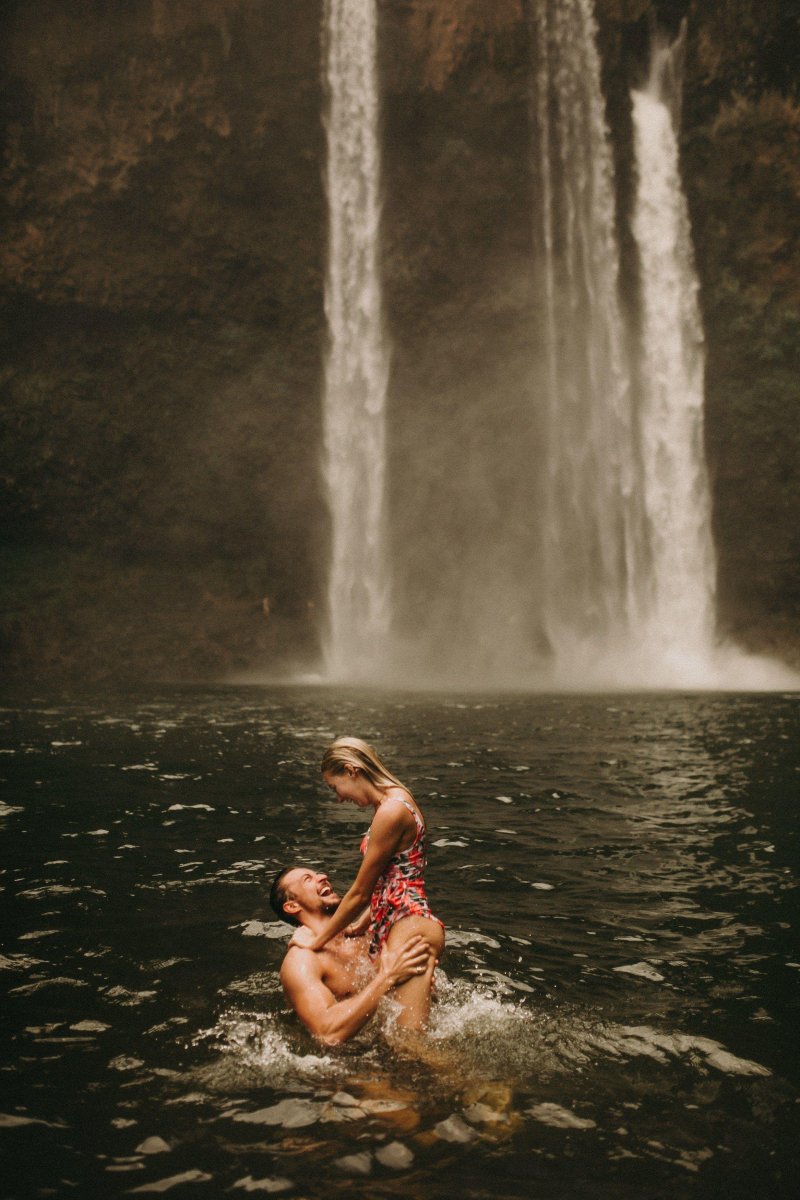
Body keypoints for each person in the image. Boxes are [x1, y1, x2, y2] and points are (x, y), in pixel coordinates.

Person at [288, 737, 445, 1031]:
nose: (339, 797)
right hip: (402, 923)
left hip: (409, 927)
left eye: (335, 787)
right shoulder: (393, 802)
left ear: (351, 770)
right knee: (396, 1040)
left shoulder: (391, 811)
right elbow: (395, 882)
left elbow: (360, 892)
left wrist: (317, 940)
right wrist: (359, 926)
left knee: (409, 1048)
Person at [270, 865, 434, 1045]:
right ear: (292, 906)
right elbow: (327, 1032)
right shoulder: (302, 960)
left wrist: (420, 986)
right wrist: (386, 978)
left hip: (390, 1043)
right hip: (347, 1060)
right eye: (308, 879)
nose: (323, 876)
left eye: (317, 873)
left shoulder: (366, 937)